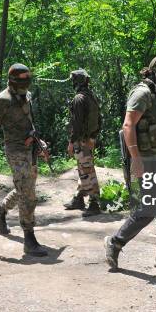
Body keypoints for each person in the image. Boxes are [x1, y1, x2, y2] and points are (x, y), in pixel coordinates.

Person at [104, 57, 156, 271]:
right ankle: (115, 242)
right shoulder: (142, 93)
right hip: (148, 159)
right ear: (153, 74)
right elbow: (128, 125)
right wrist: (136, 159)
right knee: (150, 207)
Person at [0, 63, 48, 257]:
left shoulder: (26, 95)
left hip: (30, 148)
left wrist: (39, 141)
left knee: (24, 186)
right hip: (15, 150)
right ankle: (29, 238)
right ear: (12, 80)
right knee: (27, 192)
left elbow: (29, 122)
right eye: (22, 80)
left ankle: (0, 212)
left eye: (28, 79)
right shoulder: (1, 100)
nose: (26, 83)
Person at [63, 69, 102, 217]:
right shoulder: (91, 96)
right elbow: (99, 119)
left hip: (82, 140)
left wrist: (72, 142)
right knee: (84, 168)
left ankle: (94, 203)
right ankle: (79, 198)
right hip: (89, 138)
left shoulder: (79, 98)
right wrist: (93, 137)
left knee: (86, 170)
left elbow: (77, 123)